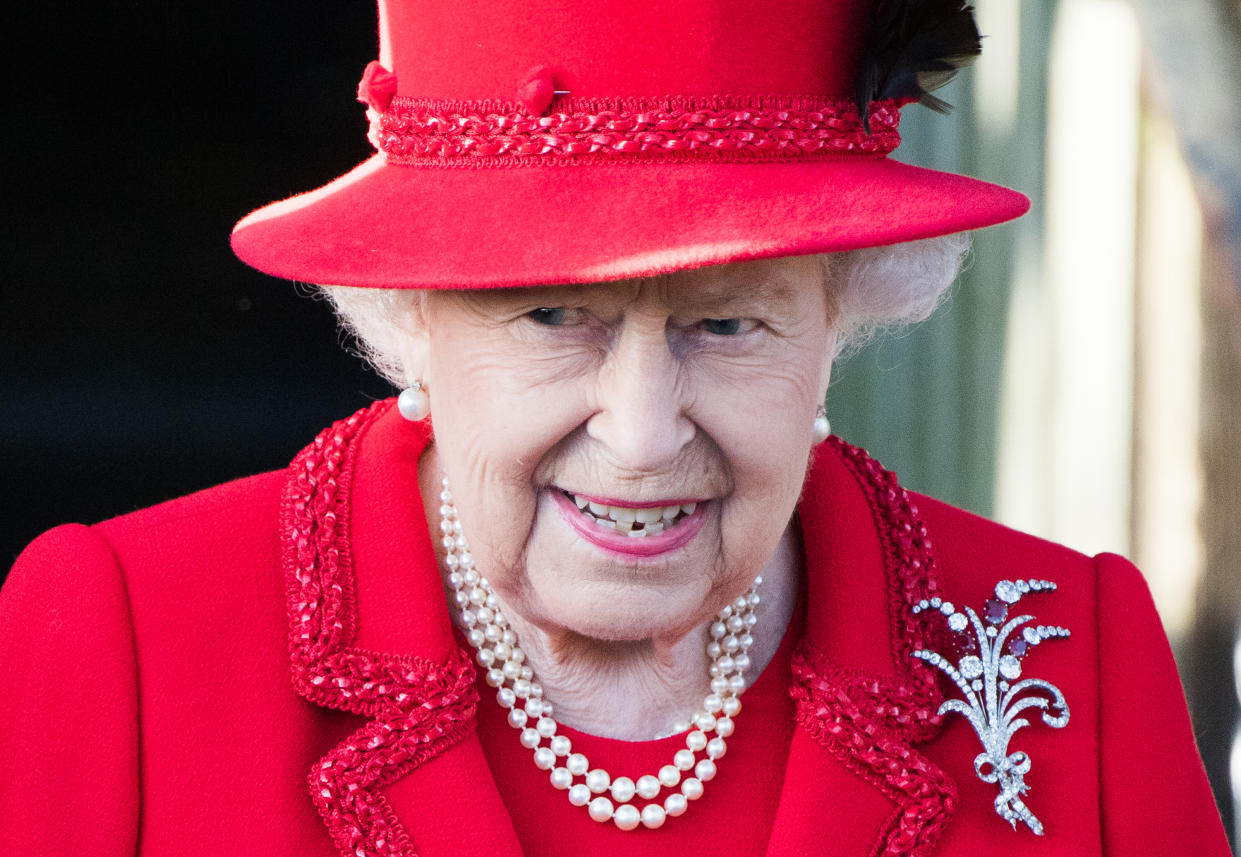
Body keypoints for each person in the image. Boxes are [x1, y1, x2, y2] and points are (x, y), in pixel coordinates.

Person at [0, 0, 1230, 854]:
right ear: (412, 318)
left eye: (729, 323)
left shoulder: (1071, 661)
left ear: (843, 313)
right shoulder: (121, 645)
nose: (641, 435)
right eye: (552, 316)